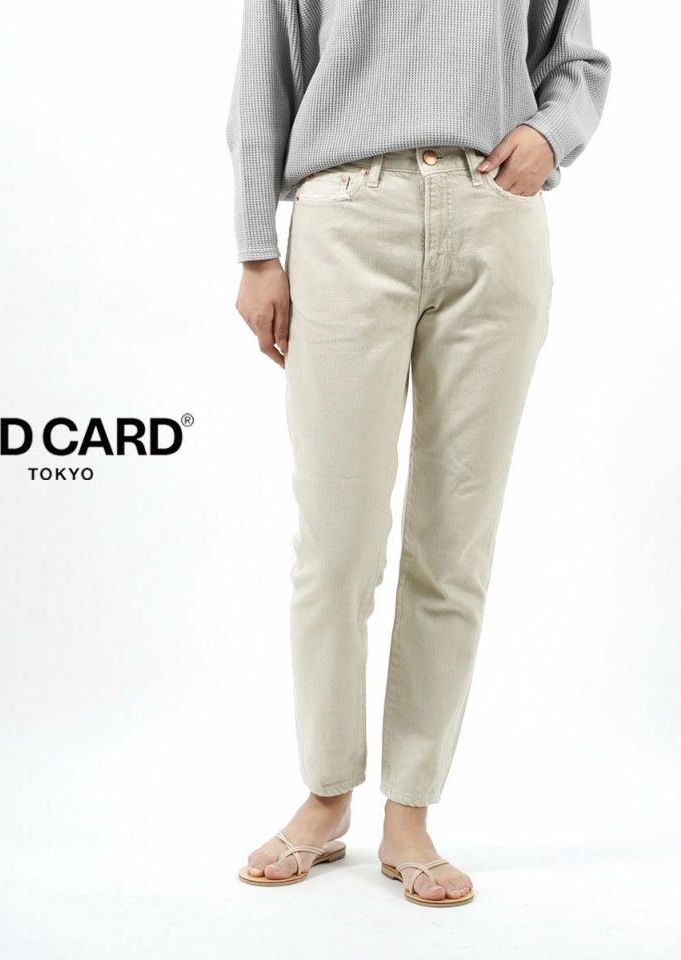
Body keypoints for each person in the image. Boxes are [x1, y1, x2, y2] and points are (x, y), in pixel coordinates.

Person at [226, 0, 611, 905]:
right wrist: (255, 251)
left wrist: (550, 135)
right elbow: (263, 81)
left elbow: (576, 63)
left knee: (454, 543)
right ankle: (327, 795)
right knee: (336, 543)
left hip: (494, 219)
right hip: (345, 219)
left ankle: (411, 811)